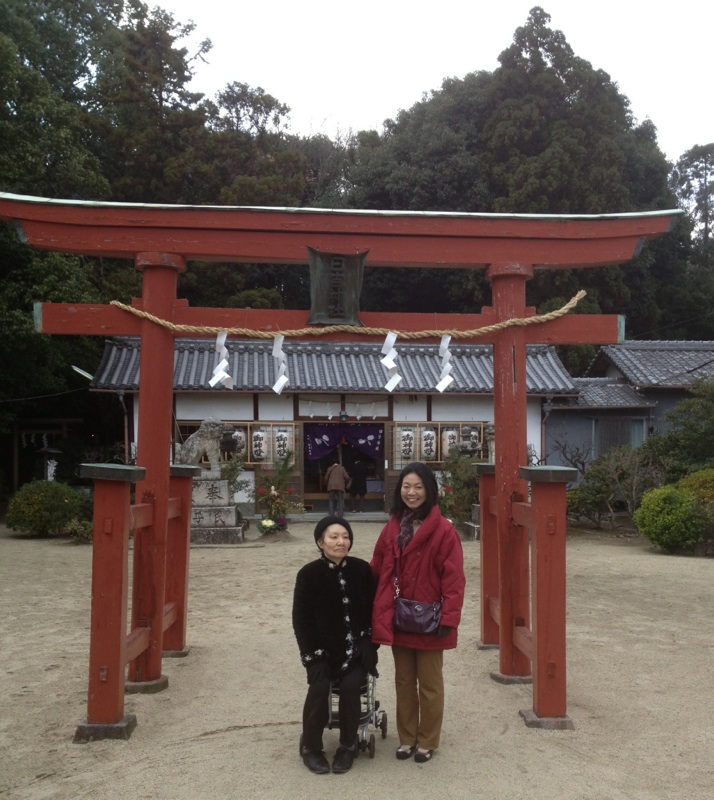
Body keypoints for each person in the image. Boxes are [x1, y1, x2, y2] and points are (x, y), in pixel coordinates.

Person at [370, 462, 465, 764]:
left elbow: (454, 580)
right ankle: (407, 738)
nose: (411, 493)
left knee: (430, 685)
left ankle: (427, 740)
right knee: (403, 682)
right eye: (406, 487)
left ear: (429, 490)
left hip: (431, 619)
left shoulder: (444, 531)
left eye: (418, 487)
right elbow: (376, 568)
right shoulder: (393, 527)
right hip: (399, 616)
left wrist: (449, 619)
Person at [292, 516, 378, 775]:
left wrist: (368, 643)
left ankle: (348, 745)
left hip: (355, 652)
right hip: (323, 653)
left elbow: (374, 611)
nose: (341, 542)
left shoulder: (362, 570)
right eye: (334, 537)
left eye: (346, 536)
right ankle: (311, 747)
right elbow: (301, 620)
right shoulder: (308, 574)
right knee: (319, 687)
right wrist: (313, 657)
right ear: (320, 542)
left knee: (352, 686)